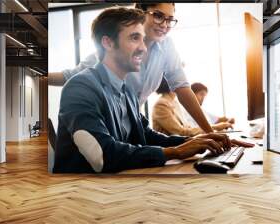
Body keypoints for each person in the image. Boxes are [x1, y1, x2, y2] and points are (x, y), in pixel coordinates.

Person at [53, 7, 237, 173]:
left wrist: (200, 142)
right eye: (134, 38)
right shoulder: (80, 87)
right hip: (82, 193)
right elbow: (101, 155)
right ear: (108, 43)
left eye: (142, 39)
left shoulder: (127, 92)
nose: (143, 48)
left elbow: (146, 136)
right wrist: (175, 152)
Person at [48, 3, 214, 134]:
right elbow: (69, 77)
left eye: (170, 19)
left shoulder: (166, 46)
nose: (165, 24)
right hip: (104, 127)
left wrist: (210, 133)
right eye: (158, 16)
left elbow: (182, 87)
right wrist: (38, 77)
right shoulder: (112, 52)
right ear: (141, 12)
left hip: (129, 126)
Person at [152, 78, 233, 137]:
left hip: (181, 145)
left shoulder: (174, 102)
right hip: (171, 152)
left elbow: (187, 128)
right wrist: (215, 127)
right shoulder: (161, 104)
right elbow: (180, 132)